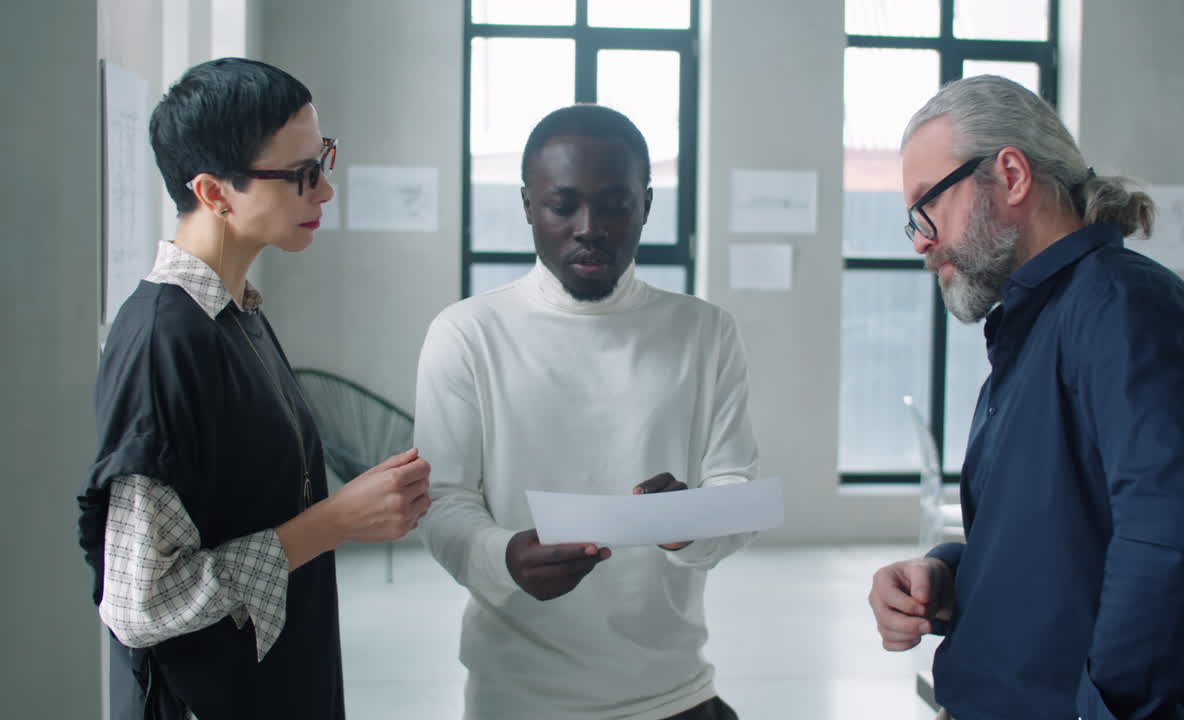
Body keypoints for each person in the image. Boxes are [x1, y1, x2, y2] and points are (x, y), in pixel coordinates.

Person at [868, 75, 1184, 720]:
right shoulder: (1039, 321)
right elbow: (1060, 538)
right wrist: (950, 575)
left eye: (926, 208)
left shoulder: (1124, 306)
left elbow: (1172, 546)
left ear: (1011, 175)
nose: (923, 242)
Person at [76, 58, 431, 720]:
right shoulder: (163, 343)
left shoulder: (235, 312)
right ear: (214, 193)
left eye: (322, 160)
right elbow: (141, 602)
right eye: (301, 175)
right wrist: (334, 523)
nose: (325, 191)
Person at [414, 103, 757, 720]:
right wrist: (503, 557)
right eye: (563, 204)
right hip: (517, 699)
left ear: (646, 205)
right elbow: (443, 501)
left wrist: (686, 519)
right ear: (527, 205)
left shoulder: (705, 333)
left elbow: (736, 486)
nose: (589, 226)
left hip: (673, 693)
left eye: (615, 203)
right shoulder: (467, 334)